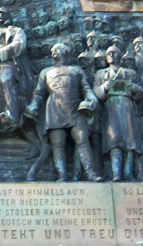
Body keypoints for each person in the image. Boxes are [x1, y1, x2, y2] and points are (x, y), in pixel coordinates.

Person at [25, 42, 102, 182]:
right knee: (58, 143)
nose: (54, 53)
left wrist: (92, 98)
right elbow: (39, 93)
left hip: (75, 109)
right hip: (55, 110)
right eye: (53, 51)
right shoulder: (46, 72)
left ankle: (91, 173)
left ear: (66, 53)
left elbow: (85, 88)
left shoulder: (76, 70)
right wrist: (34, 106)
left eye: (57, 50)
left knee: (83, 140)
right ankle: (62, 175)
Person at [93, 45, 143, 181]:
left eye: (115, 53)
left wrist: (135, 89)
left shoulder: (130, 73)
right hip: (110, 108)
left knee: (130, 139)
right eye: (109, 53)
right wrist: (104, 87)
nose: (112, 56)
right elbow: (96, 92)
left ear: (120, 56)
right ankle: (116, 173)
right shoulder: (101, 74)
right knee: (114, 139)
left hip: (128, 107)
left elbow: (141, 93)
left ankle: (128, 172)